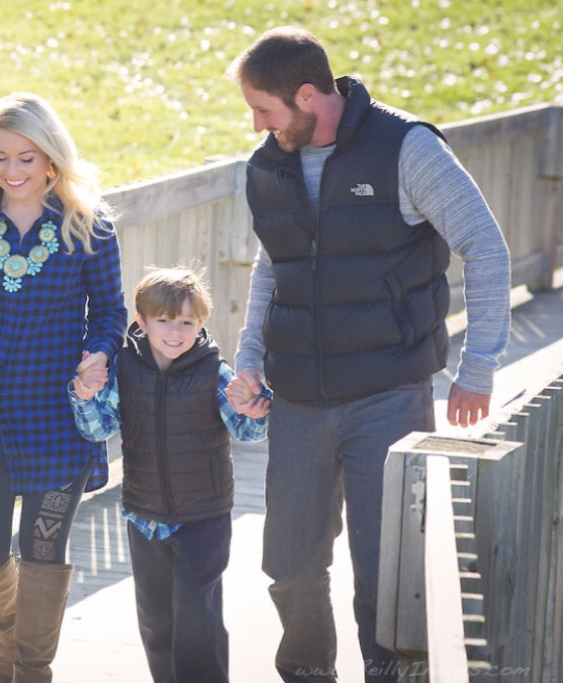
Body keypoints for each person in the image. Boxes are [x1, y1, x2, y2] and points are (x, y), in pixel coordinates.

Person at [225, 27, 511, 683]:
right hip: (297, 399)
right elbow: (274, 267)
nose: (258, 124)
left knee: (387, 566)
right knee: (290, 565)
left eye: (264, 109)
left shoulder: (406, 148)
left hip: (389, 394)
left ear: (307, 95)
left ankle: (390, 673)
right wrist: (248, 360)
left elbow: (486, 247)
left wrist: (477, 370)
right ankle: (306, 671)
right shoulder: (267, 165)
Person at [0, 92, 127, 683]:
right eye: (0, 157)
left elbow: (110, 312)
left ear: (51, 159)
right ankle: (11, 646)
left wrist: (99, 354)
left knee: (43, 553)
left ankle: (30, 672)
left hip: (58, 419)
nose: (12, 171)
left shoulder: (88, 225)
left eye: (27, 158)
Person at [68, 266, 271, 683]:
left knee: (197, 615)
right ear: (141, 323)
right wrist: (84, 394)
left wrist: (254, 407)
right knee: (156, 621)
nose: (176, 331)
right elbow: (98, 428)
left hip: (203, 515)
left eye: (187, 322)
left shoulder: (214, 371)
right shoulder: (124, 367)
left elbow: (248, 431)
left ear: (201, 323)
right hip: (143, 514)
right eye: (163, 321)